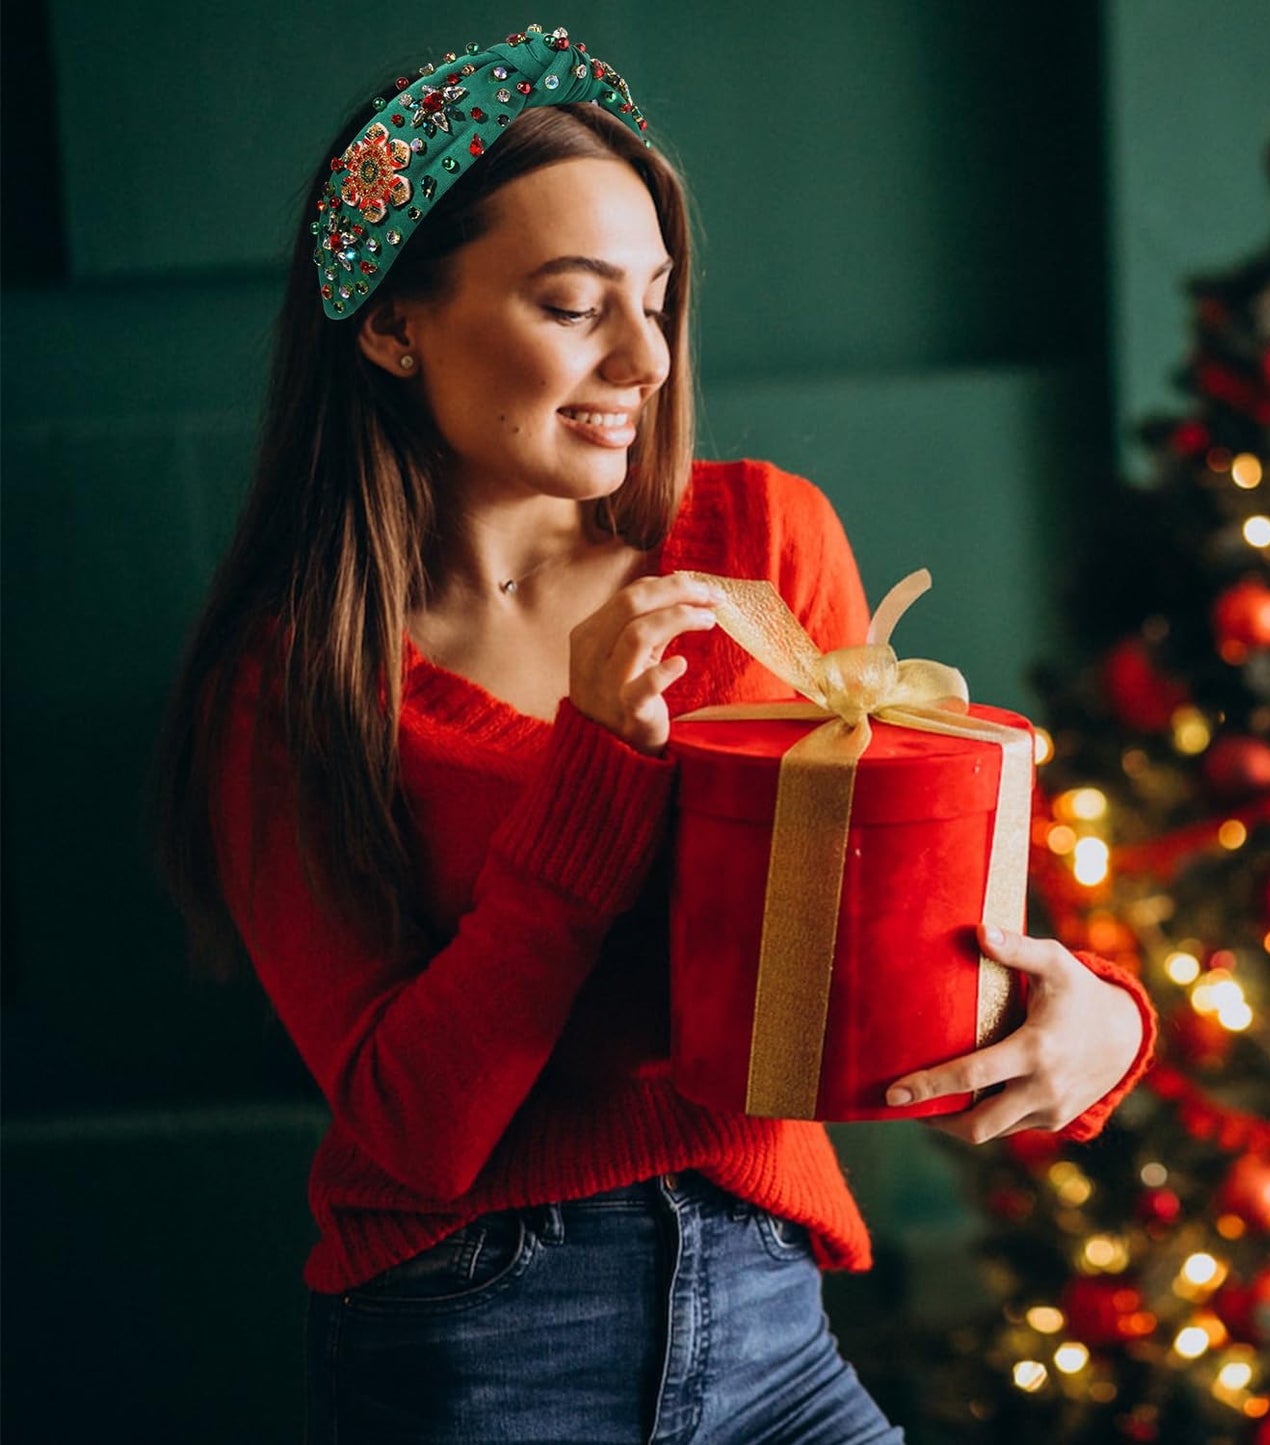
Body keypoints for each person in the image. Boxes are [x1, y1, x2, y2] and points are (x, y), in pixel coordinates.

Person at [155, 22, 1156, 1444]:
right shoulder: (289, 685)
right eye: (573, 305)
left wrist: (1093, 1020)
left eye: (659, 298)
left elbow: (881, 967)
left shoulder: (760, 543)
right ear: (390, 323)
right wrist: (597, 761)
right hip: (479, 1336)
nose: (642, 357)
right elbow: (413, 1126)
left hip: (771, 1314)